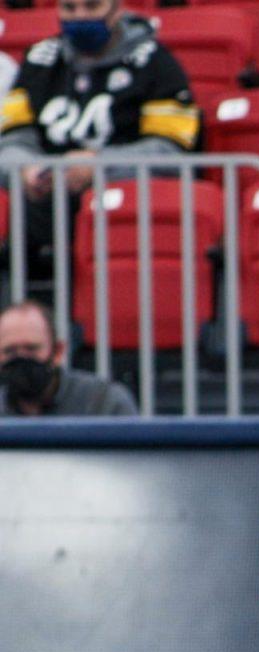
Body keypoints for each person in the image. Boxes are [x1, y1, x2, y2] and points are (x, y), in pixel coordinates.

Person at [0, 0, 199, 277]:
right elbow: (11, 139)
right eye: (69, 9)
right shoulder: (39, 59)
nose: (80, 17)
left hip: (122, 202)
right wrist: (26, 169)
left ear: (117, 10)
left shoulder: (156, 62)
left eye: (91, 7)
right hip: (43, 204)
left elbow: (171, 150)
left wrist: (100, 165)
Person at [0, 300, 135, 416]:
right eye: (9, 350)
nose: (21, 357)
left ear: (58, 352)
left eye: (32, 348)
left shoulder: (103, 403)